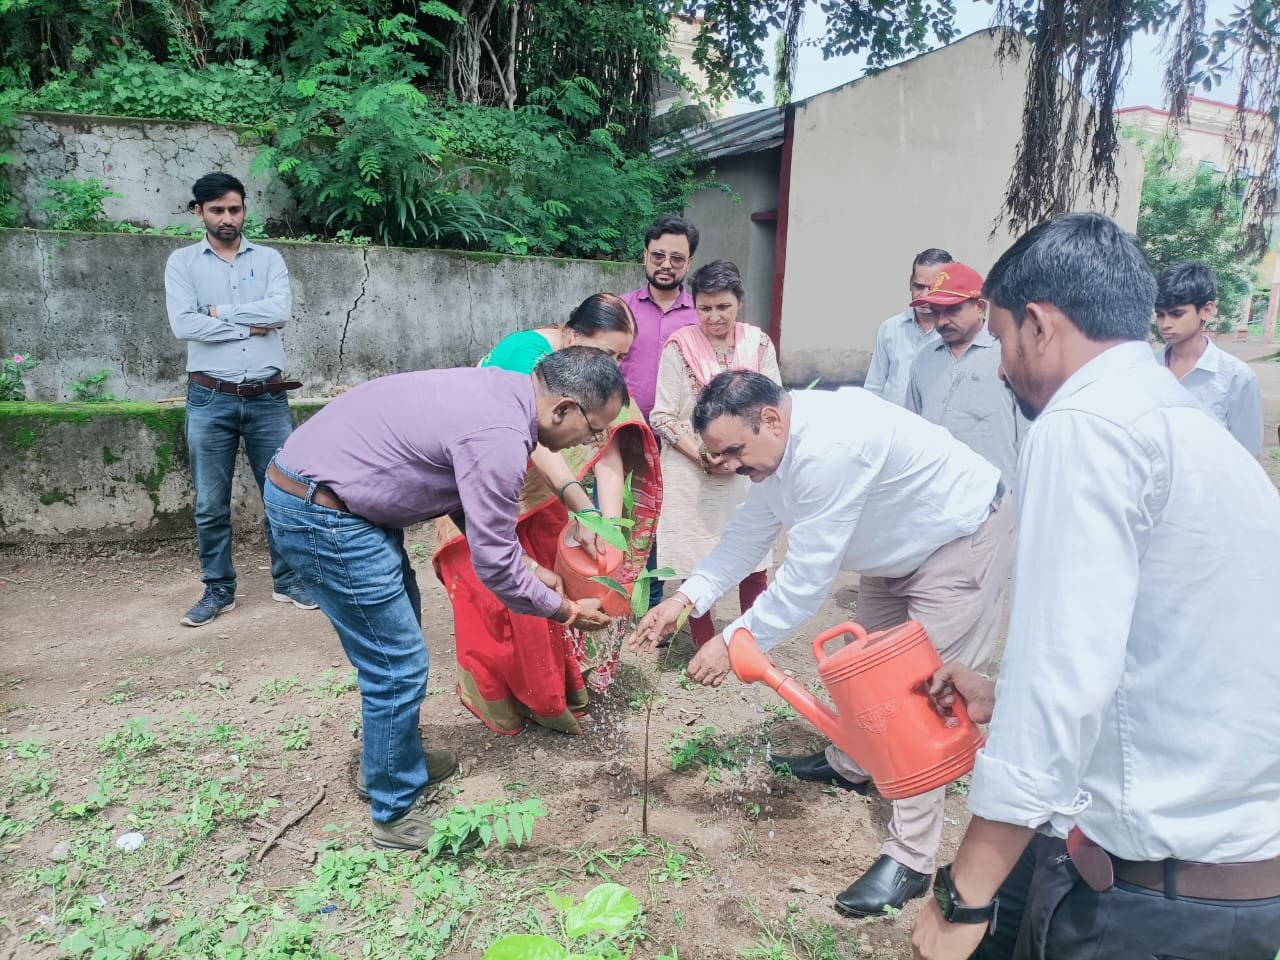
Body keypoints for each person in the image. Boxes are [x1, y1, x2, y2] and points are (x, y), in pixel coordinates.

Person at [909, 213, 1280, 960]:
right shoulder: (1192, 427)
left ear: (1039, 324)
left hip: (1146, 901)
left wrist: (964, 895)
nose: (1000, 367)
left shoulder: (1086, 423)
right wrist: (1003, 695)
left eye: (1004, 340)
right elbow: (1169, 645)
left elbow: (1064, 680)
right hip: (1239, 879)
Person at [629, 370, 1015, 918]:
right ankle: (855, 762)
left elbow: (805, 581)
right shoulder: (772, 454)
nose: (733, 467)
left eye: (735, 452)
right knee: (860, 673)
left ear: (770, 419)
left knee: (918, 701)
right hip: (895, 549)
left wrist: (735, 639)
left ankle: (910, 860)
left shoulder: (830, 449)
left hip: (958, 541)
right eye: (723, 457)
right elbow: (746, 536)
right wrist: (684, 599)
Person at [263, 348, 624, 850]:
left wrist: (536, 569)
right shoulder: (498, 437)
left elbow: (463, 499)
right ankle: (393, 811)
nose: (595, 440)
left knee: (398, 640)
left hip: (340, 499)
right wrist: (565, 612)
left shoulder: (504, 392)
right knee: (396, 664)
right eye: (594, 427)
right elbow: (494, 566)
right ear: (562, 408)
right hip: (325, 513)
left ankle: (392, 762)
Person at [433, 295, 661, 735]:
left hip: (547, 500)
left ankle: (553, 697)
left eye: (621, 356)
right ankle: (504, 704)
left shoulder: (596, 379)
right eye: (607, 351)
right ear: (572, 336)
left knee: (550, 599)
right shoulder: (524, 356)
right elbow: (534, 440)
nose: (613, 364)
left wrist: (605, 530)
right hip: (482, 497)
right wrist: (582, 506)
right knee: (496, 605)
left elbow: (610, 449)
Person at [165, 171, 317, 627]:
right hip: (210, 397)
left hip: (268, 398)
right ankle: (218, 589)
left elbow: (279, 313)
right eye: (217, 210)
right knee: (211, 502)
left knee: (282, 494)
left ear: (244, 209)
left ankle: (288, 581)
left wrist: (217, 313)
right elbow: (183, 325)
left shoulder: (269, 259)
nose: (227, 218)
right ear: (200, 213)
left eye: (234, 209)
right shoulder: (182, 263)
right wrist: (249, 324)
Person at [649, 261, 781, 647]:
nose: (714, 316)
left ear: (738, 303)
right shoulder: (679, 346)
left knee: (755, 558)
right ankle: (705, 642)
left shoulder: (758, 344)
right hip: (694, 473)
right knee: (697, 558)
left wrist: (742, 454)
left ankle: (751, 642)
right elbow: (662, 415)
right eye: (705, 308)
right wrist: (703, 455)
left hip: (748, 469)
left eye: (723, 306)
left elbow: (774, 402)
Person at [620, 214, 702, 609]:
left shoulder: (700, 315)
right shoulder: (622, 309)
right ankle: (647, 604)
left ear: (688, 263)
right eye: (658, 255)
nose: (666, 265)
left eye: (677, 258)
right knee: (640, 520)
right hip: (631, 433)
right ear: (645, 256)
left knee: (684, 518)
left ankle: (688, 606)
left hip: (684, 437)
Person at [906, 262, 1025, 487]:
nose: (941, 321)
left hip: (997, 499)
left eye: (951, 310)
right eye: (935, 312)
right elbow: (912, 431)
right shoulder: (924, 359)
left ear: (980, 306)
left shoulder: (1008, 354)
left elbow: (1030, 437)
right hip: (936, 494)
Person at [1155, 261, 1263, 456]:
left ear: (1207, 310)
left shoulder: (1237, 378)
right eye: (1160, 315)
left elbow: (1247, 455)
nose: (1165, 324)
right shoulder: (1147, 368)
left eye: (1176, 314)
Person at [862, 248, 953, 406]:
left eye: (932, 288)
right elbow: (874, 387)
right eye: (919, 286)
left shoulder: (955, 332)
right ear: (910, 283)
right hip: (892, 425)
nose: (923, 296)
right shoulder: (890, 328)